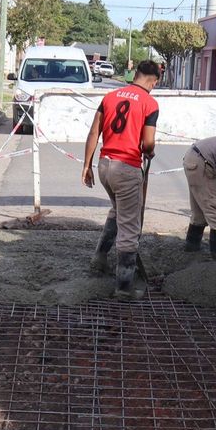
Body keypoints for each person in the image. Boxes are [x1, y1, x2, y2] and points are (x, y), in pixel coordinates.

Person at [82, 60, 161, 298]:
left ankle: (99, 258)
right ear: (153, 81)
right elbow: (147, 143)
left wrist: (87, 165)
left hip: (105, 165)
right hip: (127, 168)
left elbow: (94, 132)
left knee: (117, 211)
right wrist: (149, 151)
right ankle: (124, 287)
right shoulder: (150, 103)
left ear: (135, 74)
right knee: (130, 226)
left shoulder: (110, 96)